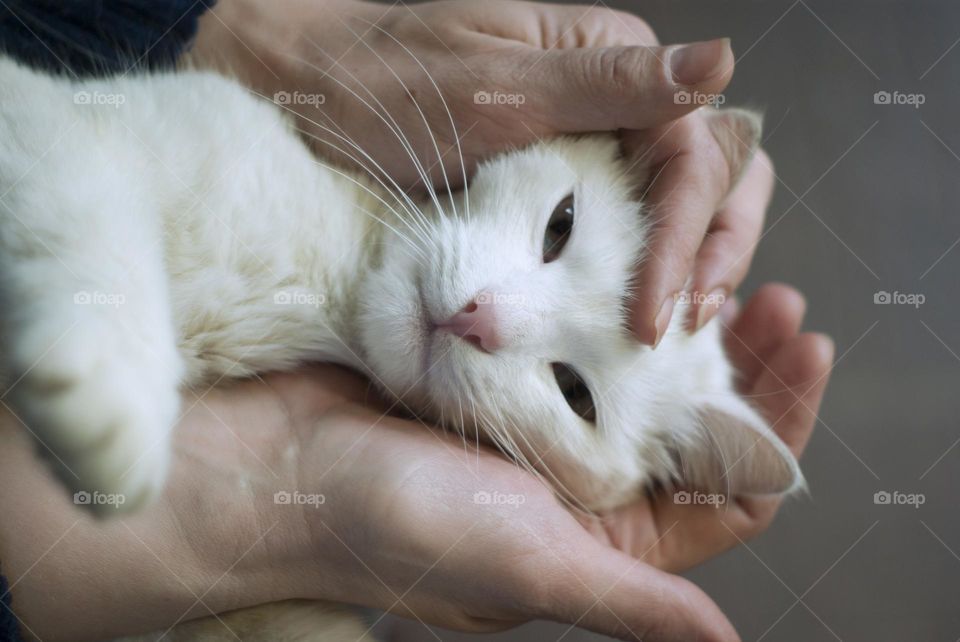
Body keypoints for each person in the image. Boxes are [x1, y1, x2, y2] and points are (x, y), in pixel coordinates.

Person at [0, 1, 833, 640]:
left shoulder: (349, 493)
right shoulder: (288, 187)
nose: (492, 321)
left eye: (576, 393)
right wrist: (110, 321)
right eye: (557, 229)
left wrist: (304, 525)